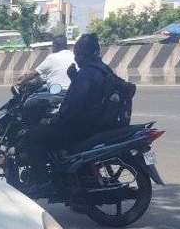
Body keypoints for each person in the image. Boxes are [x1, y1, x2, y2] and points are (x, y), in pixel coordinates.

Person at [20, 34, 125, 181]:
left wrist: (54, 120)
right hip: (97, 123)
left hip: (82, 127)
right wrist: (74, 77)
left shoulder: (86, 74)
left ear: (84, 54)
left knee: (31, 136)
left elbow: (72, 106)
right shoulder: (103, 69)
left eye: (78, 55)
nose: (76, 59)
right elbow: (90, 96)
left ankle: (42, 180)